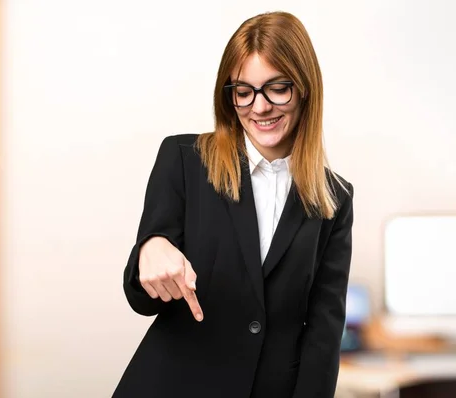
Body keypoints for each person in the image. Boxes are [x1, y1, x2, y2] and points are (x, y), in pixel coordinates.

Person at [113, 10, 354, 398]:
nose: (259, 108)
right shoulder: (183, 158)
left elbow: (323, 334)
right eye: (244, 91)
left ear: (305, 87)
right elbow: (140, 297)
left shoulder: (334, 198)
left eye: (277, 88)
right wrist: (150, 248)